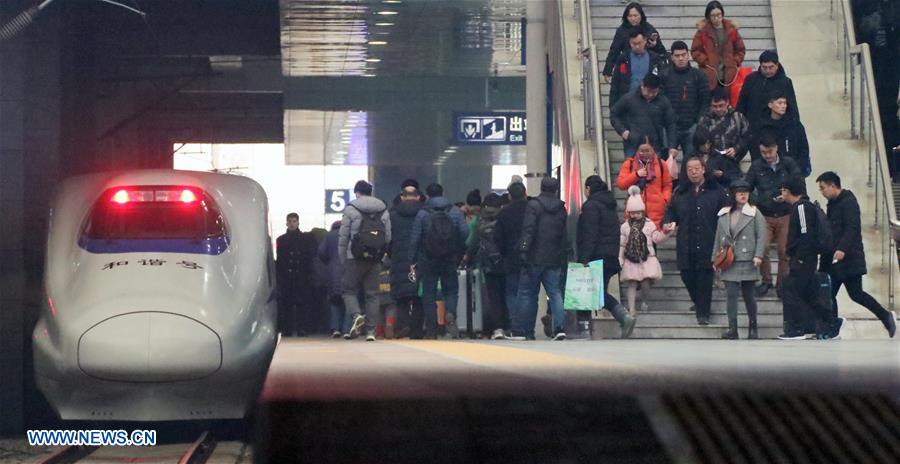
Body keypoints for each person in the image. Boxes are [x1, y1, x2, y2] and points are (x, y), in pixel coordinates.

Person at [816, 172, 896, 337]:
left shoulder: (849, 202)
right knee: (829, 293)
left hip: (848, 258)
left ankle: (885, 316)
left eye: (823, 188)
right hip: (833, 259)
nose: (822, 192)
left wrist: (842, 249)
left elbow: (852, 228)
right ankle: (832, 327)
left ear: (832, 185)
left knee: (856, 294)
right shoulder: (832, 204)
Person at [664, 157, 727, 325]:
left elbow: (725, 215)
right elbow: (671, 212)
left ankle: (703, 314)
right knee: (687, 275)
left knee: (705, 279)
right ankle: (699, 303)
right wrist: (669, 222)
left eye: (696, 168)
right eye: (689, 169)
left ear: (703, 169)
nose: (693, 172)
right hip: (686, 241)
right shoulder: (680, 192)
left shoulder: (717, 191)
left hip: (709, 241)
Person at [778, 176, 843, 340]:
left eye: (783, 190)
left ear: (788, 191)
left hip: (803, 259)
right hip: (806, 258)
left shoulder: (801, 208)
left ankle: (796, 329)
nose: (781, 194)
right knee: (809, 294)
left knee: (794, 291)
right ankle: (832, 321)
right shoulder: (802, 207)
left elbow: (806, 234)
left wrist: (799, 257)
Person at [577, 175, 636, 338]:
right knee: (597, 292)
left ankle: (622, 316)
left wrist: (584, 258)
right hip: (610, 256)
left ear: (588, 189)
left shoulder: (591, 206)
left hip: (596, 256)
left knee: (592, 292)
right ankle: (622, 317)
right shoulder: (609, 205)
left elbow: (590, 233)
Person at [744, 134, 802, 297]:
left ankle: (782, 284)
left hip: (785, 213)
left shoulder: (788, 164)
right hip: (765, 214)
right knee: (762, 249)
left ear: (776, 148)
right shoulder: (756, 166)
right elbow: (746, 187)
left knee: (785, 251)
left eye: (769, 152)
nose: (767, 156)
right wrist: (759, 200)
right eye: (763, 152)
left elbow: (799, 183)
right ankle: (766, 281)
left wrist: (789, 196)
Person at [409, 183, 470, 339]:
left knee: (428, 293)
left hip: (427, 259)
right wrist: (457, 249)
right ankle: (450, 313)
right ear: (443, 193)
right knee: (451, 289)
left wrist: (412, 259)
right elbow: (465, 233)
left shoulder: (422, 214)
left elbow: (415, 238)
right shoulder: (455, 212)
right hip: (449, 258)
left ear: (427, 196)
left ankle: (432, 329)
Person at [514, 177, 569, 341]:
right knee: (555, 293)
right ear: (556, 189)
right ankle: (559, 328)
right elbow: (564, 234)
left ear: (541, 187)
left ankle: (527, 331)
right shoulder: (561, 208)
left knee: (528, 294)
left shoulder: (533, 205)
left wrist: (523, 248)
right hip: (554, 257)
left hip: (533, 257)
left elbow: (528, 230)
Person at [711, 179, 767, 339]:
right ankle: (732, 328)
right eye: (739, 192)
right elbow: (718, 237)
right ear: (733, 194)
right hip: (728, 259)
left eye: (746, 192)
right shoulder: (724, 214)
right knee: (731, 295)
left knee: (749, 295)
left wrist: (758, 255)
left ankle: (753, 326)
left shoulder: (755, 212)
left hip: (748, 258)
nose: (743, 195)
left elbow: (762, 235)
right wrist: (714, 258)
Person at [339, 180, 391, 342]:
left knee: (348, 290)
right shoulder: (383, 209)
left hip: (354, 257)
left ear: (357, 192)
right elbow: (387, 237)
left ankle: (356, 315)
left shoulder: (351, 208)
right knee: (372, 294)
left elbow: (343, 237)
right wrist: (381, 255)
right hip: (375, 258)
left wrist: (343, 258)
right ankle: (370, 332)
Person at [619, 186, 672, 315]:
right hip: (631, 258)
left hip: (646, 257)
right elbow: (622, 244)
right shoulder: (625, 227)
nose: (635, 215)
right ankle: (631, 308)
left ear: (642, 211)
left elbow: (656, 238)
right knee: (631, 283)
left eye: (638, 212)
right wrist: (620, 257)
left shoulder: (649, 224)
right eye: (632, 213)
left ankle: (644, 300)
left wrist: (666, 233)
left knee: (645, 283)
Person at [464, 193, 508, 340]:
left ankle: (497, 328)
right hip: (505, 262)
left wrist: (467, 257)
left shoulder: (479, 219)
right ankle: (510, 326)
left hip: (488, 263)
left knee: (493, 297)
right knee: (507, 294)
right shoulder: (505, 216)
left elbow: (472, 241)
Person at [736, 50, 800, 144]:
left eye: (771, 67)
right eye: (764, 67)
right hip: (755, 130)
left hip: (777, 131)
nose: (768, 71)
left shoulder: (785, 82)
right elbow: (741, 104)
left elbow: (792, 107)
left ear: (777, 65)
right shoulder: (751, 80)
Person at [660, 40, 711, 158]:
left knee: (692, 160)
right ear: (672, 57)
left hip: (692, 125)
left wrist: (698, 121)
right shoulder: (664, 75)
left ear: (688, 55)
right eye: (677, 56)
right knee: (665, 160)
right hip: (670, 126)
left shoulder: (698, 75)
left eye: (683, 55)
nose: (681, 58)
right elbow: (660, 101)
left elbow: (705, 100)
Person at [611, 74, 678, 158]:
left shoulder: (663, 101)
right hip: (632, 143)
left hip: (656, 146)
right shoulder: (629, 98)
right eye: (648, 91)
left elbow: (671, 123)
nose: (650, 95)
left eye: (654, 92)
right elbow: (614, 114)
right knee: (632, 170)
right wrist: (622, 130)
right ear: (642, 86)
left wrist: (672, 146)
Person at [389, 182, 425, 339]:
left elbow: (387, 239)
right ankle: (416, 331)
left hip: (398, 259)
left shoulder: (392, 215)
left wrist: (391, 254)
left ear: (402, 197)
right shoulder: (424, 214)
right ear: (418, 197)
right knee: (418, 296)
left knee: (401, 297)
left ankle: (403, 325)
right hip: (420, 259)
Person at [616, 135, 674, 229]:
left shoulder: (661, 164)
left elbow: (667, 185)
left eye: (648, 150)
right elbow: (621, 184)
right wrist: (636, 175)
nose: (644, 153)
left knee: (653, 242)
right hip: (634, 212)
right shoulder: (629, 164)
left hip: (656, 213)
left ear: (653, 149)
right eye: (641, 151)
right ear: (637, 150)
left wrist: (664, 200)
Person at [276, 212, 318, 337]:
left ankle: (301, 328)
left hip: (301, 275)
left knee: (301, 304)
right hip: (288, 276)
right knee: (287, 304)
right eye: (290, 221)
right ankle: (288, 328)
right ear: (286, 223)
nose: (292, 224)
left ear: (298, 222)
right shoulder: (282, 239)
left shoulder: (304, 239)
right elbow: (280, 259)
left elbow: (309, 257)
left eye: (294, 221)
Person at [494, 181, 528, 335]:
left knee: (512, 293)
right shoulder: (531, 210)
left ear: (509, 196)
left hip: (511, 258)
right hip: (529, 257)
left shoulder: (504, 213)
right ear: (525, 193)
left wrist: (504, 254)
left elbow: (498, 238)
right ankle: (528, 327)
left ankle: (516, 326)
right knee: (528, 292)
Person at [602, 2, 666, 81]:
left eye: (635, 15)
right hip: (628, 66)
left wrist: (655, 45)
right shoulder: (622, 31)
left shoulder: (649, 29)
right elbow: (614, 51)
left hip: (648, 67)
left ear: (641, 15)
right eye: (630, 16)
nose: (633, 19)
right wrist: (608, 70)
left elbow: (662, 51)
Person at [691, 1, 746, 91]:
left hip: (729, 72)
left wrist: (735, 61)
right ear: (708, 16)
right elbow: (695, 50)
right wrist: (705, 62)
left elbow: (741, 50)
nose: (716, 18)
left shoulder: (731, 30)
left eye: (719, 14)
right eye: (713, 15)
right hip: (709, 73)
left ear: (722, 14)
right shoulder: (703, 31)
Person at [696, 87, 751, 176]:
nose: (718, 109)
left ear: (727, 103)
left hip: (732, 162)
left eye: (721, 105)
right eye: (715, 106)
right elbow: (699, 141)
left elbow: (747, 137)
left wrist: (736, 149)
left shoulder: (738, 117)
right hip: (711, 163)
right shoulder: (704, 119)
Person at [757, 91, 811, 174]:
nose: (783, 106)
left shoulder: (794, 124)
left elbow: (803, 147)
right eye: (780, 103)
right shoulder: (763, 126)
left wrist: (799, 169)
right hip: (771, 172)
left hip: (794, 171)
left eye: (785, 103)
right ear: (770, 105)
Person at [609, 30, 665, 108]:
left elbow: (661, 81)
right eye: (634, 44)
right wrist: (612, 106)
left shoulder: (654, 58)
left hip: (649, 104)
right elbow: (615, 82)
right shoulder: (624, 58)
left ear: (645, 40)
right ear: (629, 42)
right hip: (627, 103)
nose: (637, 46)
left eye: (639, 43)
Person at [317, 221, 345, 338]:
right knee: (348, 300)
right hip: (348, 269)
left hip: (332, 271)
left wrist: (328, 262)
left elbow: (321, 252)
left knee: (334, 301)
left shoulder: (328, 236)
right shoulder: (348, 234)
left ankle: (335, 328)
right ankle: (347, 328)